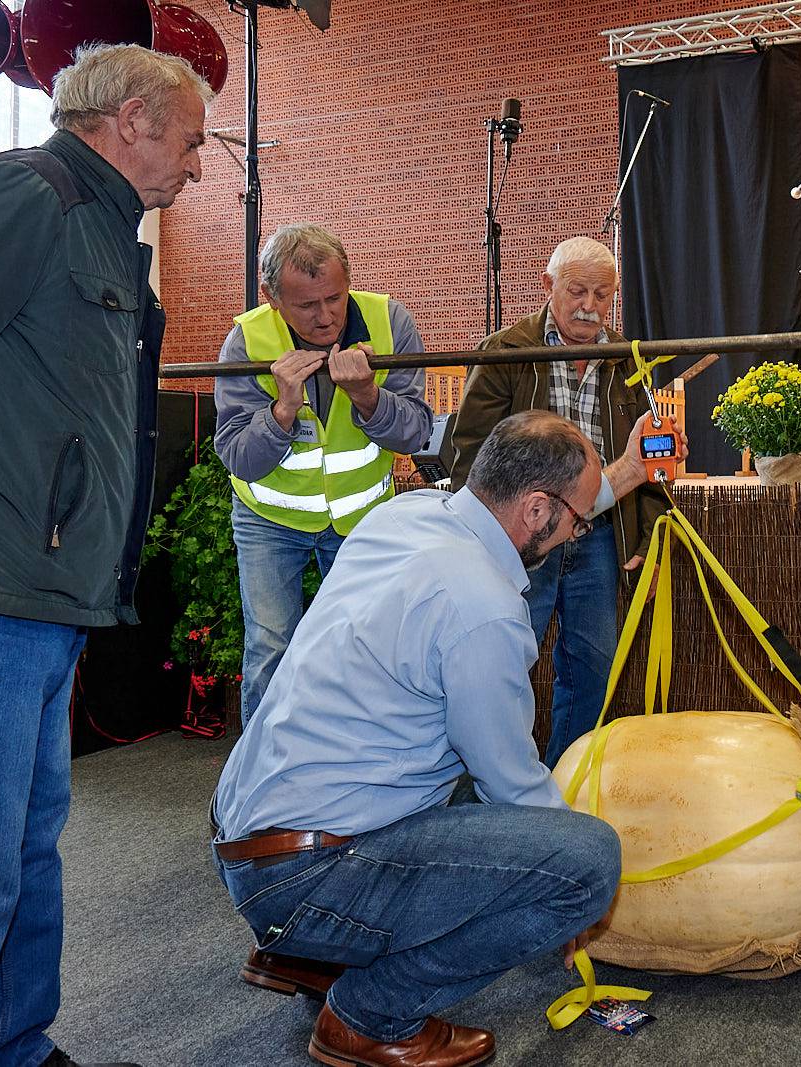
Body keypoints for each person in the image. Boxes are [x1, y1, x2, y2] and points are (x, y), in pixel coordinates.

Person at [0, 44, 211, 1067]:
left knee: (19, 851)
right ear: (135, 116)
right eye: (189, 142)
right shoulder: (24, 196)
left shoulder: (102, 230)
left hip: (43, 586)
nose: (195, 167)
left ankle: (11, 1043)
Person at [211, 410, 672, 1067]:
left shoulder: (409, 515)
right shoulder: (481, 606)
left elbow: (474, 770)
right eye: (577, 518)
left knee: (447, 767)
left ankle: (304, 953)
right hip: (304, 875)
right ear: (536, 509)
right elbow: (513, 785)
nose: (581, 529)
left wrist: (622, 473)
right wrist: (571, 896)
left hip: (247, 840)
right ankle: (370, 1013)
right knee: (587, 860)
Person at [447, 236, 667, 767]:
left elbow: (652, 455)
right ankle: (495, 777)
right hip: (526, 540)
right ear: (548, 288)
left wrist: (648, 532)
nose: (591, 306)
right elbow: (469, 454)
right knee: (504, 660)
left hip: (598, 539)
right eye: (577, 292)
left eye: (603, 294)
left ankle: (566, 781)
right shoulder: (506, 353)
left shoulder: (627, 360)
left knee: (594, 664)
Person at [214, 223, 433, 726]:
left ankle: (355, 777)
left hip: (361, 522)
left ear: (349, 278)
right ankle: (262, 786)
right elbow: (240, 457)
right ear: (271, 297)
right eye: (307, 305)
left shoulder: (389, 320)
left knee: (365, 651)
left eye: (335, 298)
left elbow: (415, 433)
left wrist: (368, 398)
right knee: (272, 650)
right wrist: (282, 411)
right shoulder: (246, 340)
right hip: (269, 520)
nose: (326, 316)